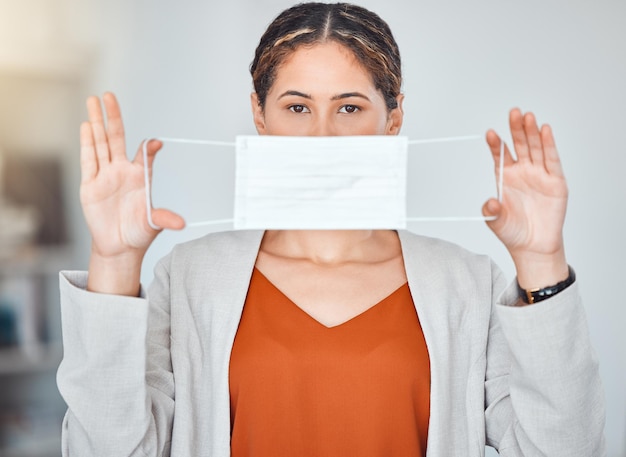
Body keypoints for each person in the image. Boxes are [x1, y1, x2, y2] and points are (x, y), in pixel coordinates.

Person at [56, 2, 605, 456]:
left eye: (349, 108)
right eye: (297, 107)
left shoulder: (468, 283)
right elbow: (105, 447)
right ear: (259, 115)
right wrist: (114, 261)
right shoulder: (190, 279)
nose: (322, 137)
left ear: (392, 120)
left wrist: (542, 261)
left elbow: (564, 447)